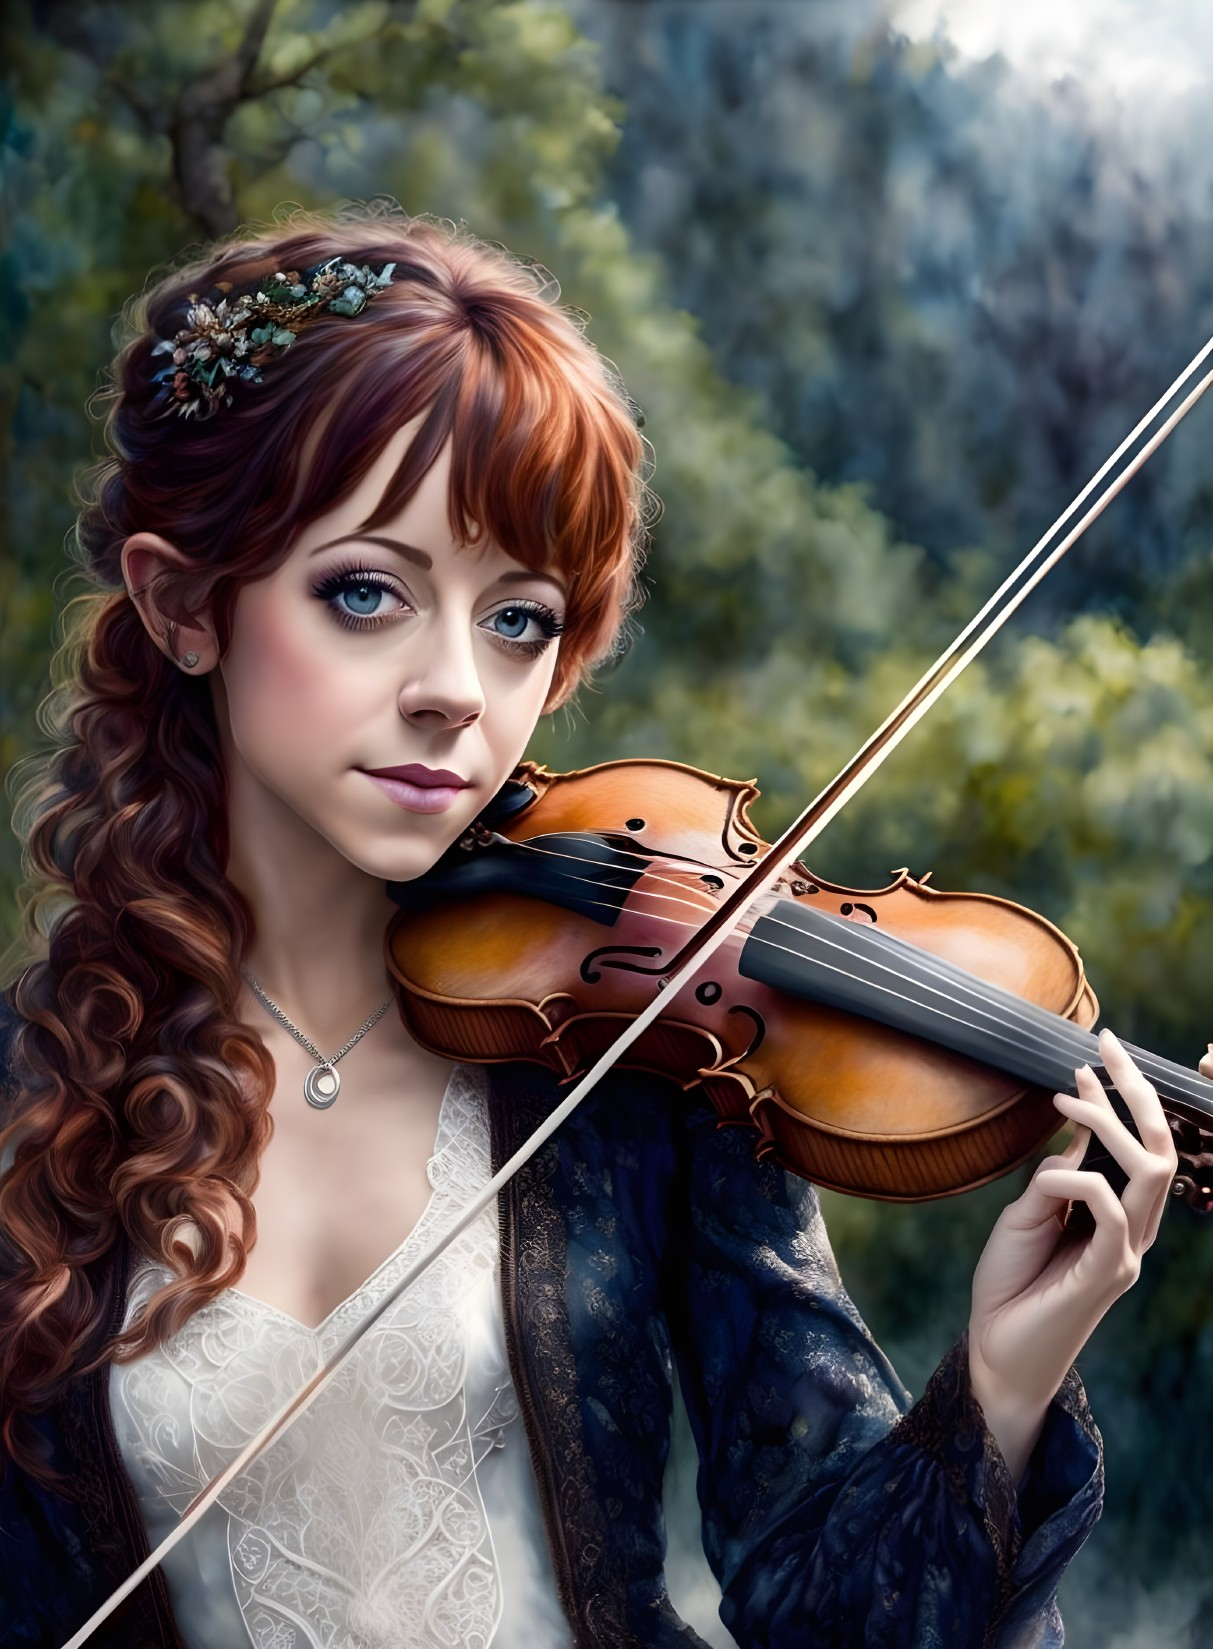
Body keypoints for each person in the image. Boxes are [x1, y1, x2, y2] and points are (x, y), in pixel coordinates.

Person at [0, 203, 1185, 1649]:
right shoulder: (32, 1101)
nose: (456, 689)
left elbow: (824, 1618)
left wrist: (1001, 1381)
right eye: (367, 593)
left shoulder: (633, 1046)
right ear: (186, 605)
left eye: (520, 619)